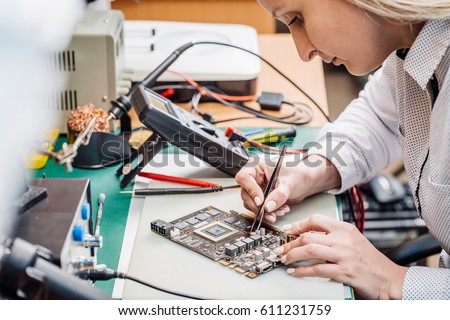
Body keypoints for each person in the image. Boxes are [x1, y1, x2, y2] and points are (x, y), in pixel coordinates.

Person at [235, 0, 450, 300]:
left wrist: (392, 280)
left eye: (297, 17)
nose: (303, 51)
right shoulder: (410, 44)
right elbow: (378, 119)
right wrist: (307, 171)